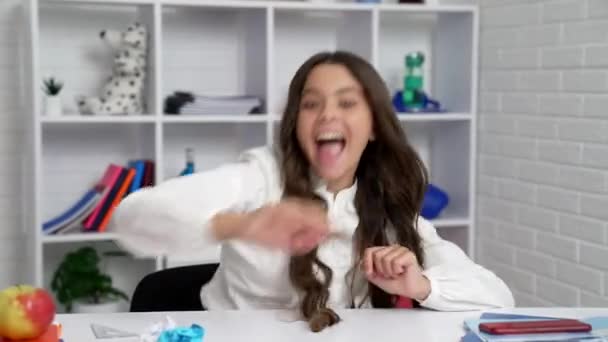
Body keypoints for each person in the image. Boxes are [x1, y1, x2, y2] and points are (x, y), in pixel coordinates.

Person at [113, 51, 514, 332]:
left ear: (374, 127)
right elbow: (133, 220)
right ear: (296, 122)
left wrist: (420, 285)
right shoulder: (261, 174)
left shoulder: (385, 203)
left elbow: (498, 298)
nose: (327, 115)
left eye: (347, 103)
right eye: (311, 104)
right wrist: (245, 225)